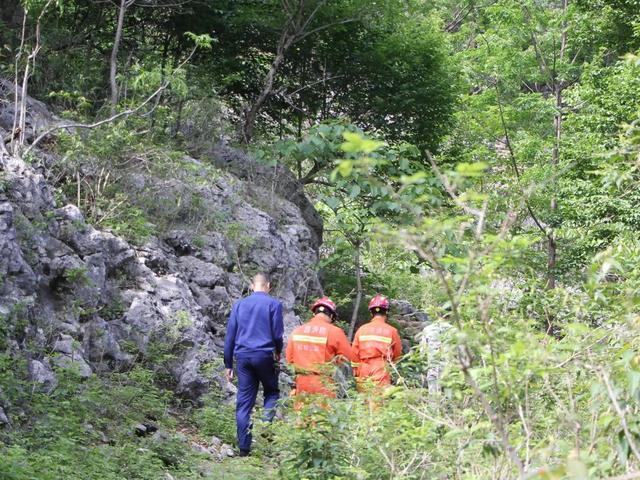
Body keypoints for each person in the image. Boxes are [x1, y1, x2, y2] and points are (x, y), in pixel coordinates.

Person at [224, 272, 284, 457]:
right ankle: (266, 426)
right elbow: (277, 335)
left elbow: (230, 337)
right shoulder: (273, 304)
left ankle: (244, 449)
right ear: (268, 286)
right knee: (272, 392)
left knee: (244, 403)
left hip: (242, 357)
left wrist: (228, 364)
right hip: (265, 355)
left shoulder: (240, 305)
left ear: (252, 286)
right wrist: (278, 352)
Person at [285, 296, 353, 400]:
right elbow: (347, 357)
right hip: (324, 383)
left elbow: (289, 359)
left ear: (314, 313)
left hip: (301, 383)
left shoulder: (297, 331)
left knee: (301, 414)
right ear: (331, 315)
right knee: (322, 414)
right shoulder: (335, 332)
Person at [352, 294, 402, 390]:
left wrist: (357, 370)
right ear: (386, 312)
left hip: (363, 368)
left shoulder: (361, 329)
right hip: (381, 368)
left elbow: (354, 353)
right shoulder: (391, 331)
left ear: (371, 312)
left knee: (363, 400)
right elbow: (397, 354)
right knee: (378, 401)